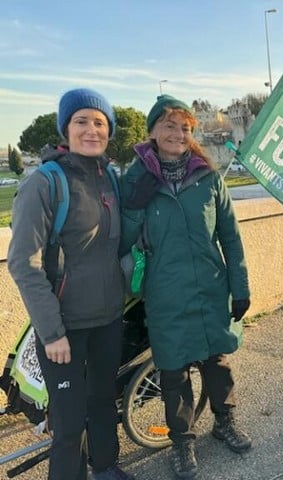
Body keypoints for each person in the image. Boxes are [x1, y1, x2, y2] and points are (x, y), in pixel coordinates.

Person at [119, 95, 251, 479]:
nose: (179, 134)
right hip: (165, 291)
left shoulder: (207, 176)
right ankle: (183, 442)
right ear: (153, 131)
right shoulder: (135, 178)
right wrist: (133, 206)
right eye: (171, 125)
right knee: (173, 372)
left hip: (211, 286)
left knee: (217, 362)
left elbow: (230, 234)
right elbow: (124, 239)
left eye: (186, 128)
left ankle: (224, 422)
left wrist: (239, 286)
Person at [8, 88, 134, 480]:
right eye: (82, 121)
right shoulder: (44, 184)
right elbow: (23, 264)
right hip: (63, 330)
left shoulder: (112, 179)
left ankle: (107, 466)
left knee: (101, 403)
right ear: (66, 127)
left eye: (100, 122)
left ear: (109, 131)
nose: (91, 130)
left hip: (109, 318)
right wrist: (52, 332)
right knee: (68, 423)